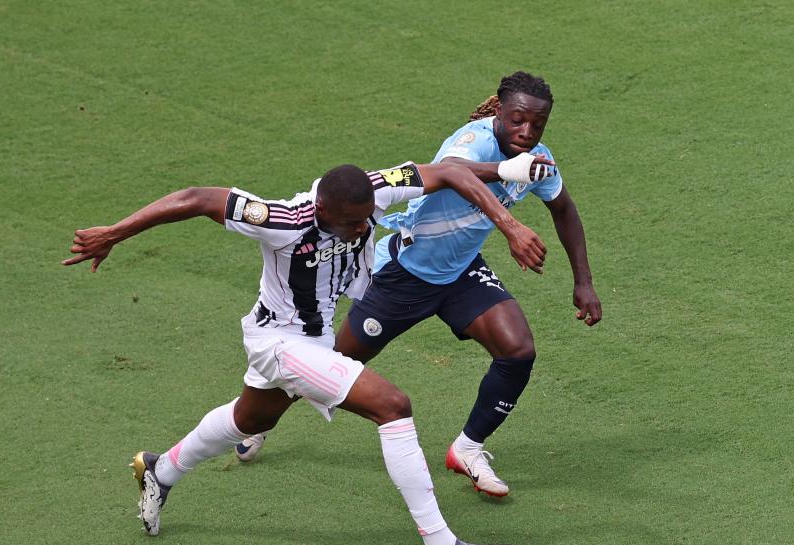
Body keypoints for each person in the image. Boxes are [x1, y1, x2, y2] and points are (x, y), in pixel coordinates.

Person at [62, 157, 551, 545]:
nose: (361, 229)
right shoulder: (279, 220)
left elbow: (447, 172)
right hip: (277, 342)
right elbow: (196, 198)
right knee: (392, 406)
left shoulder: (374, 189)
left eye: (366, 219)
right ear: (322, 210)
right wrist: (115, 232)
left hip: (312, 341)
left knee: (250, 419)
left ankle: (161, 468)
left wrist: (506, 185)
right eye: (351, 223)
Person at [238, 72, 603, 498]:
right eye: (518, 120)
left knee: (518, 351)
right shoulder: (474, 141)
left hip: (460, 273)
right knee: (329, 364)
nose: (527, 131)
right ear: (500, 112)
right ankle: (257, 420)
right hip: (402, 274)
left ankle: (467, 449)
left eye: (537, 124)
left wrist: (584, 281)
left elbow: (564, 208)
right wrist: (510, 222)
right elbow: (451, 172)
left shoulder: (538, 160)